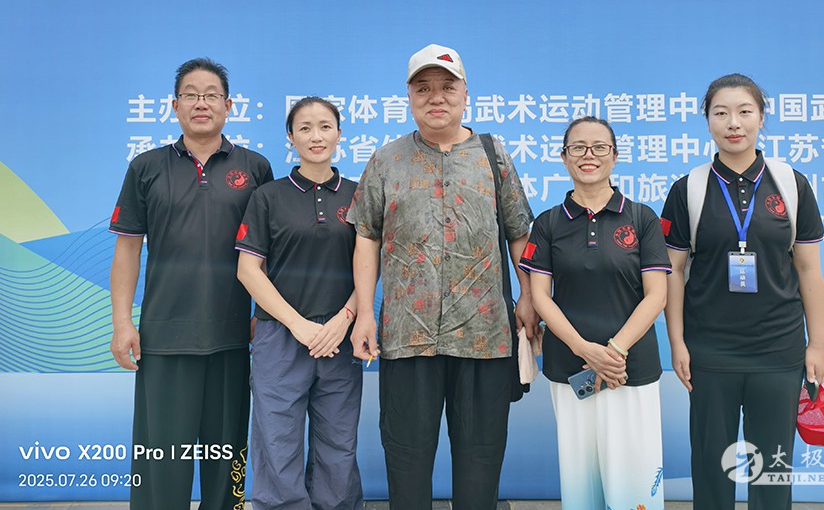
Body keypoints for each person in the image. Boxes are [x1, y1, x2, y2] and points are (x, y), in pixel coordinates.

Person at [347, 43, 538, 510]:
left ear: (466, 94)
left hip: (485, 335)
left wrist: (529, 297)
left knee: (481, 458)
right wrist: (365, 314)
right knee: (406, 459)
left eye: (447, 87)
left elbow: (519, 233)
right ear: (409, 97)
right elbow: (366, 237)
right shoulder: (386, 160)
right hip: (407, 337)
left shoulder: (493, 156)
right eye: (423, 88)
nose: (436, 97)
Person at [109, 58, 273, 510]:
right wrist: (122, 323)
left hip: (233, 336)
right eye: (191, 95)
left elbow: (270, 252)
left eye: (212, 95)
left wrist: (262, 315)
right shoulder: (146, 167)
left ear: (229, 106)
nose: (202, 103)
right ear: (175, 105)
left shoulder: (255, 168)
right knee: (161, 460)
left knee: (227, 459)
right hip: (165, 336)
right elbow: (127, 249)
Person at [660, 73, 824, 510]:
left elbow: (808, 268)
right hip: (709, 351)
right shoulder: (688, 189)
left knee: (772, 469)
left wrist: (816, 344)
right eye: (721, 113)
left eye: (744, 111)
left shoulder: (790, 184)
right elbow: (673, 271)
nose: (733, 123)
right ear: (707, 121)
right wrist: (677, 342)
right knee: (711, 469)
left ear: (761, 117)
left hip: (779, 349)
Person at [520, 116, 669, 510]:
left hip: (629, 368)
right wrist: (585, 350)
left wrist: (614, 351)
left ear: (614, 156)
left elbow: (657, 295)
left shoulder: (642, 218)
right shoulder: (548, 223)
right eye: (578, 147)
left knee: (634, 482)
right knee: (580, 482)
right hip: (572, 368)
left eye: (600, 147)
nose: (589, 155)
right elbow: (541, 297)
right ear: (564, 157)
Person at [236, 96, 363, 510]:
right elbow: (248, 270)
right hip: (280, 336)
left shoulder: (358, 196)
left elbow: (371, 267)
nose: (316, 136)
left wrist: (344, 319)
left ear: (339, 134)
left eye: (325, 126)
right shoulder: (268, 197)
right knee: (277, 442)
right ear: (290, 137)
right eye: (304, 128)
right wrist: (298, 324)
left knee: (338, 444)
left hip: (339, 338)